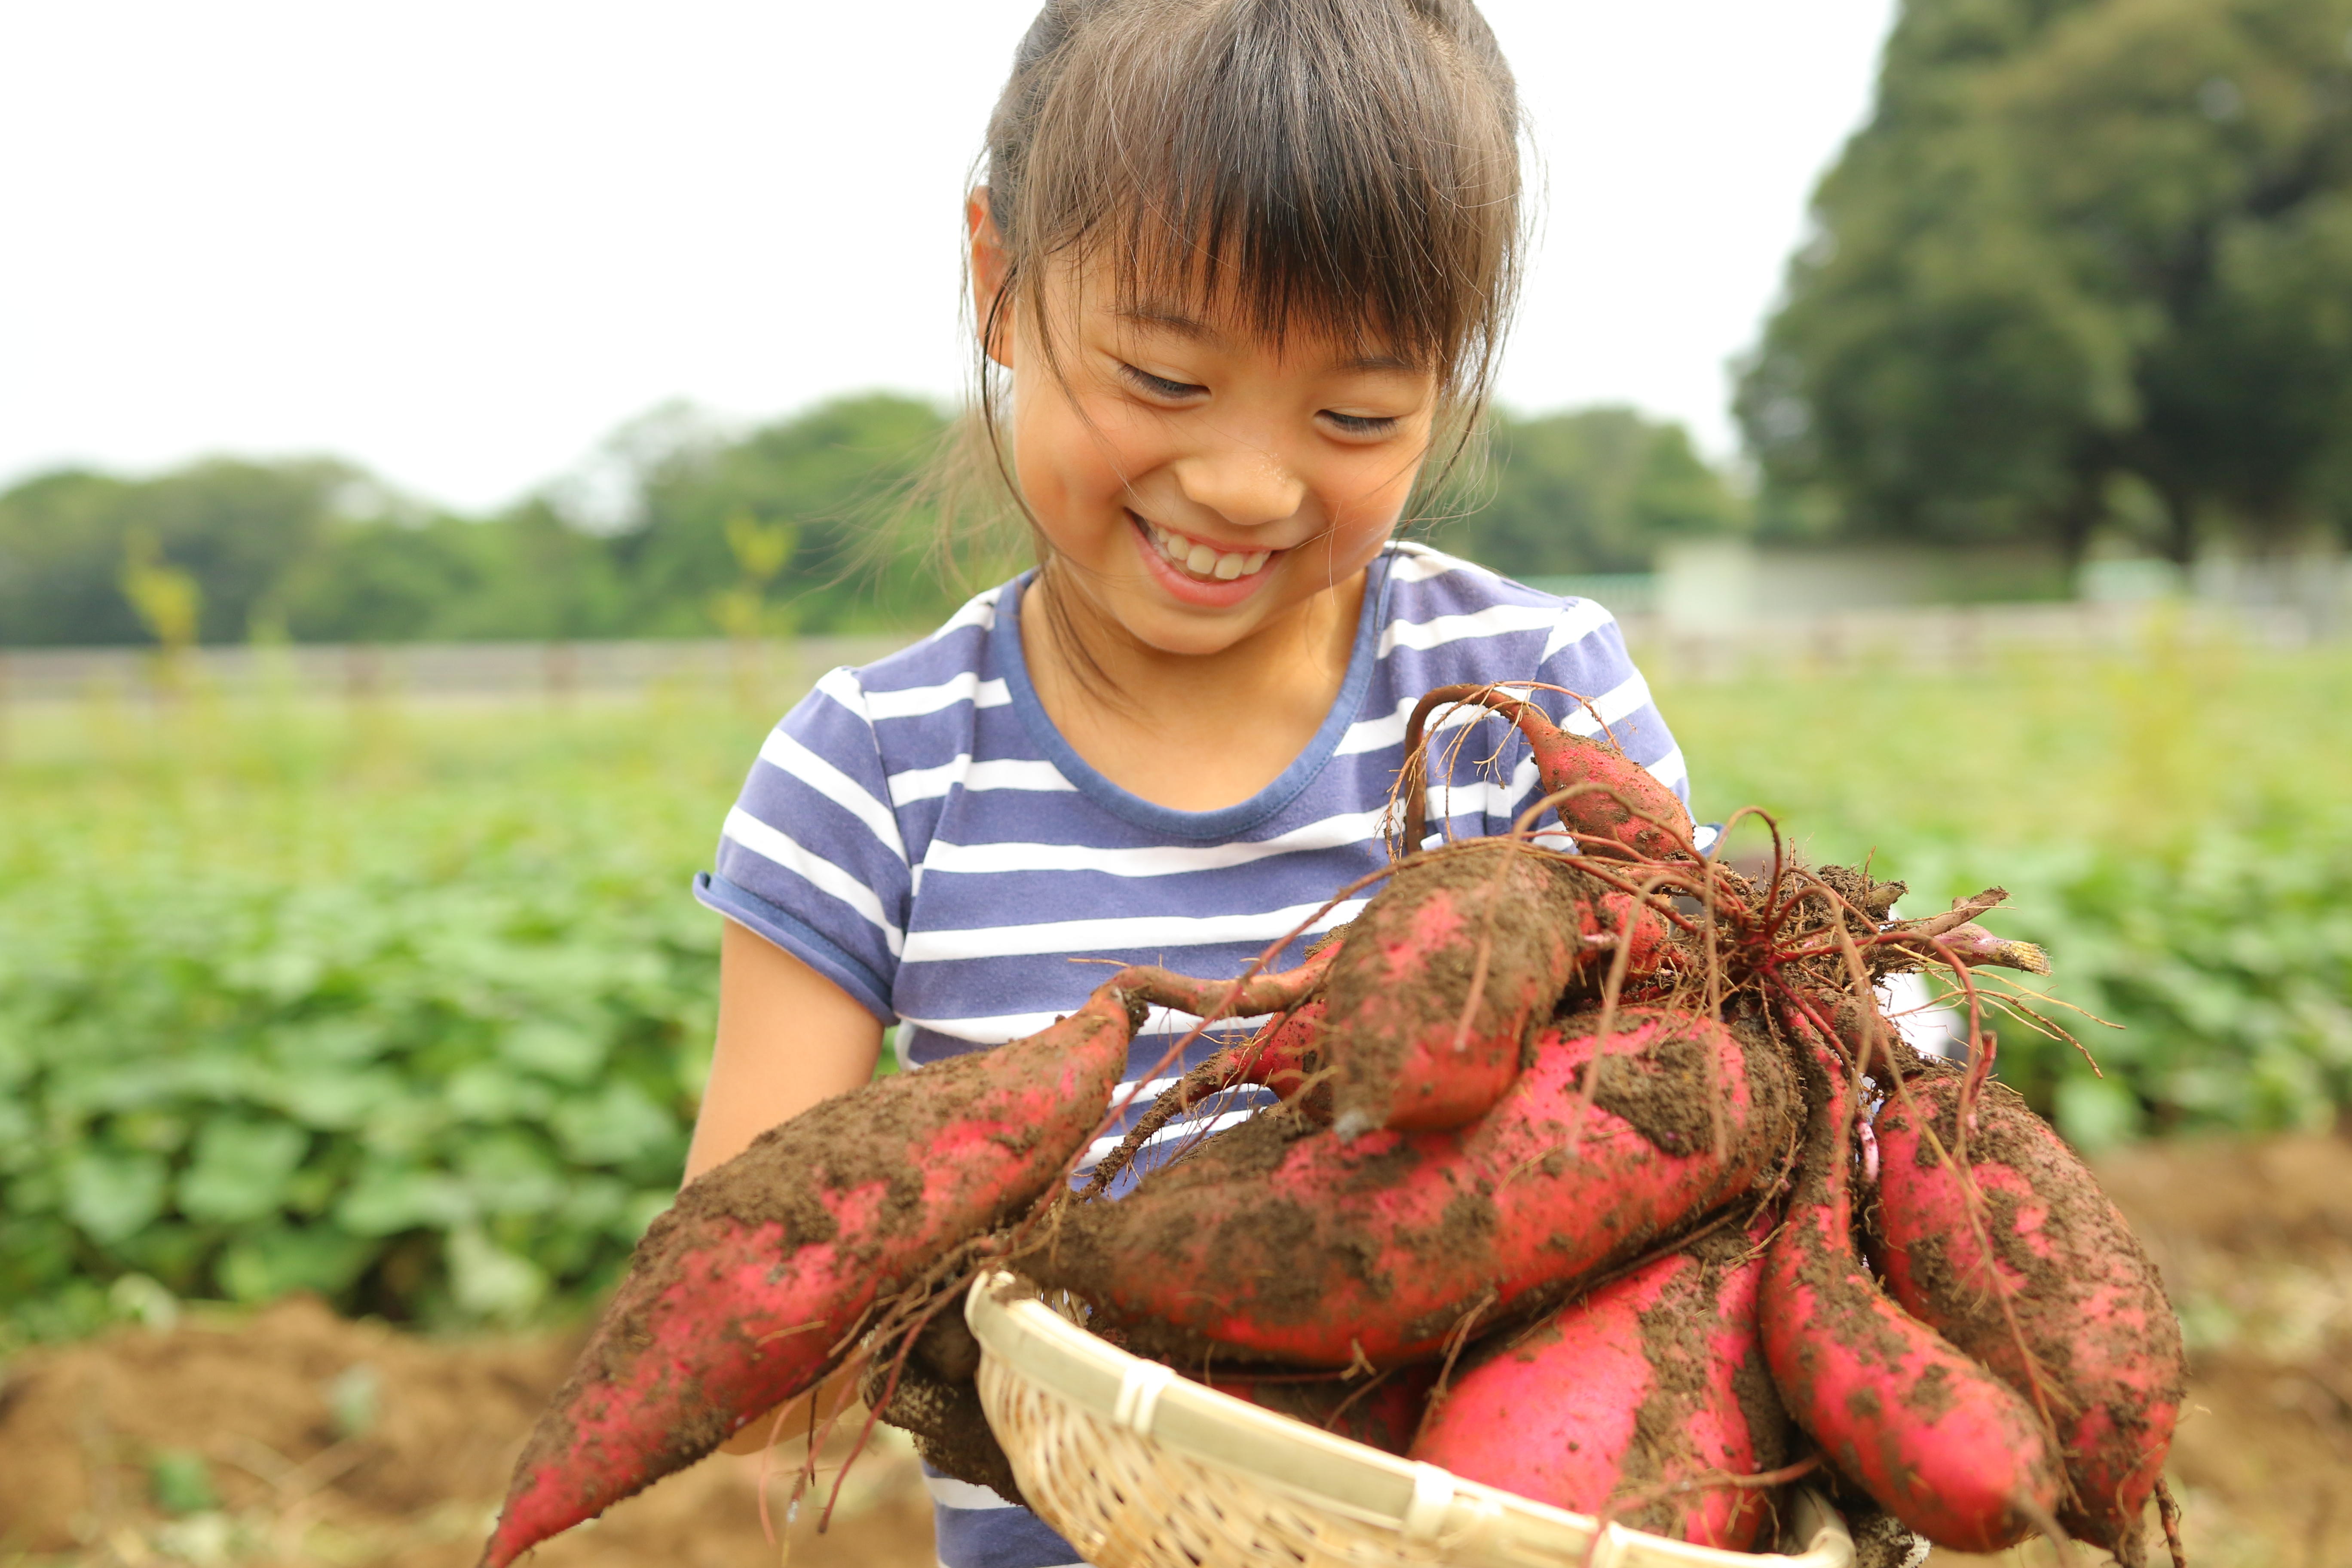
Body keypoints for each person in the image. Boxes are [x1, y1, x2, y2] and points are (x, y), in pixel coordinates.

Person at [683, 3, 1689, 1564]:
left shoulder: (1527, 702)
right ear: (999, 285)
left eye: (1355, 417)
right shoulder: (873, 774)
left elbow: (1688, 1132)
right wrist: (1038, 1303)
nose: (1245, 484)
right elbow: (730, 1362)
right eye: (1161, 379)